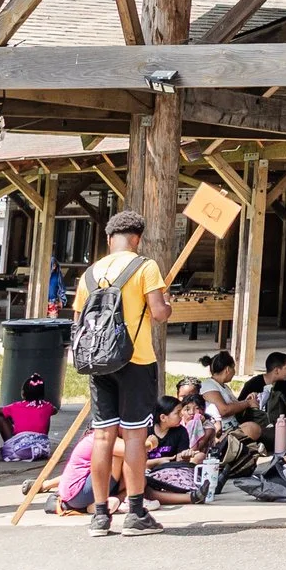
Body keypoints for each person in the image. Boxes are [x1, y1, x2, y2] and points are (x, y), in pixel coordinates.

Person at [72, 208, 172, 536]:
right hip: (135, 359)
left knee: (102, 435)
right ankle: (136, 512)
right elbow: (158, 313)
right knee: (133, 435)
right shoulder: (145, 266)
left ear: (108, 238)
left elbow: (79, 323)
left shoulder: (90, 273)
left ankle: (100, 516)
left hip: (98, 361)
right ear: (137, 239)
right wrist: (167, 304)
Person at [0, 372, 60, 462]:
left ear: (23, 393)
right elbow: (55, 410)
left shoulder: (15, 406)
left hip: (19, 449)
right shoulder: (48, 407)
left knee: (0, 416)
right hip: (42, 449)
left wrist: (11, 417)